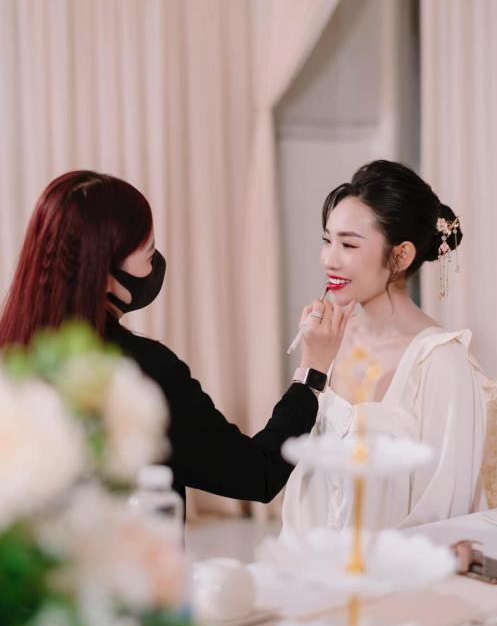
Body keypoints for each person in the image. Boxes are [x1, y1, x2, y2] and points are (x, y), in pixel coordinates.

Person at [0, 170, 351, 515]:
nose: (156, 264)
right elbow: (257, 474)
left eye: (348, 244)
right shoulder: (141, 373)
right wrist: (312, 371)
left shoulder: (13, 357)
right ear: (102, 273)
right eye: (149, 254)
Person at [281, 160, 488, 534]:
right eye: (327, 240)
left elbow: (445, 514)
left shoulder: (442, 363)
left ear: (401, 256)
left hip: (395, 568)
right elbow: (300, 481)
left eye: (348, 244)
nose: (329, 259)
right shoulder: (328, 341)